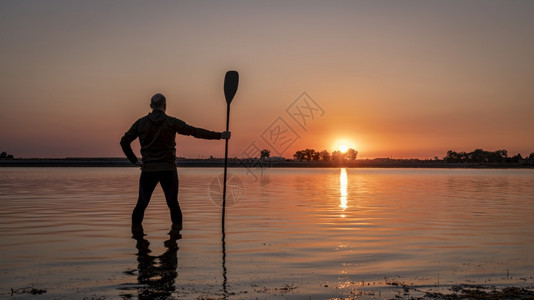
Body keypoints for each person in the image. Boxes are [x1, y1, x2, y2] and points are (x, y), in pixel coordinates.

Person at [120, 93, 230, 235]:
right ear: (165, 106)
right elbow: (194, 131)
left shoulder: (140, 123)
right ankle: (175, 239)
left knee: (141, 204)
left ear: (151, 106)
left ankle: (137, 240)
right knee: (173, 204)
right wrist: (219, 135)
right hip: (168, 171)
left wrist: (134, 161)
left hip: (148, 171)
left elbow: (124, 142)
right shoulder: (171, 122)